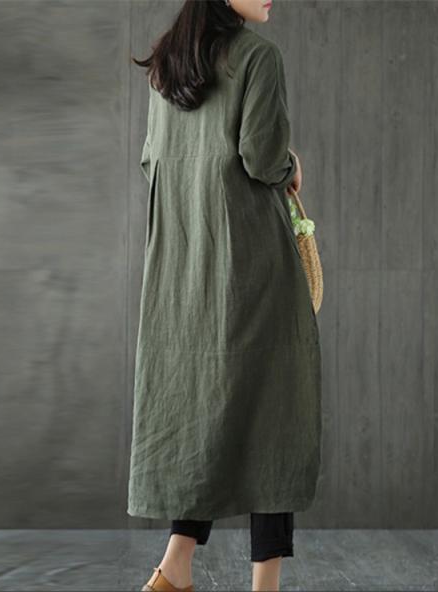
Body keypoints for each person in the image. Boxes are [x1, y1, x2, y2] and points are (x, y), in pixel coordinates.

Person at [129, 1, 322, 590]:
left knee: (204, 409)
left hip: (184, 269)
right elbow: (262, 158)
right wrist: (291, 165)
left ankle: (174, 568)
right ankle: (264, 585)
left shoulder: (168, 61)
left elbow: (151, 162)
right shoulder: (258, 57)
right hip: (252, 263)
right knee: (275, 413)